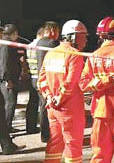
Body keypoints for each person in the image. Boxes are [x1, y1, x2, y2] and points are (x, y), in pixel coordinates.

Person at [80, 17, 114, 163]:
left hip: (100, 111)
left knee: (100, 153)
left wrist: (103, 82)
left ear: (101, 36)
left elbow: (83, 84)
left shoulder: (93, 56)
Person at [37, 20, 88, 163]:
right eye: (83, 36)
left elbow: (41, 80)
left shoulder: (51, 53)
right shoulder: (75, 54)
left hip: (52, 107)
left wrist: (48, 96)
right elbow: (71, 82)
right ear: (73, 37)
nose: (85, 39)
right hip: (69, 108)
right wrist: (60, 97)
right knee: (73, 144)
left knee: (55, 142)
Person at [36, 21, 60, 142]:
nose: (58, 34)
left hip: (41, 78)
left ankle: (44, 134)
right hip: (51, 79)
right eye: (57, 31)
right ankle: (52, 134)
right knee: (50, 107)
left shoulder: (39, 42)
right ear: (52, 30)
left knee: (43, 106)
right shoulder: (53, 43)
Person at [0, 25, 22, 154]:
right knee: (10, 104)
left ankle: (7, 142)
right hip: (8, 80)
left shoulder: (7, 43)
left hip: (9, 78)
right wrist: (7, 79)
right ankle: (7, 128)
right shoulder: (6, 44)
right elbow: (4, 62)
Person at [25, 27, 45, 134]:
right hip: (39, 77)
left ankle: (30, 127)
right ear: (42, 34)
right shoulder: (41, 46)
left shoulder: (29, 45)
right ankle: (44, 127)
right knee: (42, 103)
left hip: (31, 76)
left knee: (32, 103)